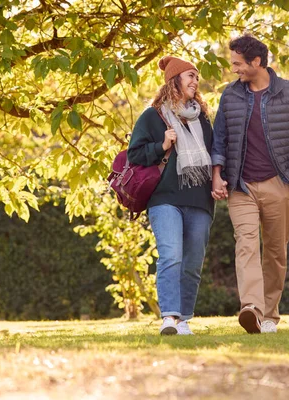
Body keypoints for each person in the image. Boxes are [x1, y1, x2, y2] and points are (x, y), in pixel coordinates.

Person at [211, 33, 289, 334]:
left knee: (276, 252)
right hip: (241, 185)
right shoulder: (230, 95)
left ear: (256, 61)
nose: (235, 69)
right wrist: (217, 174)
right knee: (247, 245)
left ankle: (269, 314)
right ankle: (251, 308)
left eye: (239, 63)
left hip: (277, 183)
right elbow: (219, 138)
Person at [128, 56, 214, 335]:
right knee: (171, 256)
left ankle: (184, 319)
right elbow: (135, 155)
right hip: (165, 199)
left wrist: (218, 179)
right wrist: (161, 145)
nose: (195, 81)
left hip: (200, 200)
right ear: (174, 80)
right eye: (190, 75)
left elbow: (214, 154)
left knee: (192, 263)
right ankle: (168, 317)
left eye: (196, 77)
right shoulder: (152, 116)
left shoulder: (201, 116)